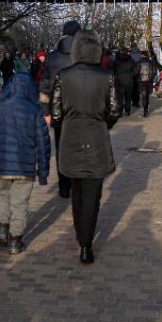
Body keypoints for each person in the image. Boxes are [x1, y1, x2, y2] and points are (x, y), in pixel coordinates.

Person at [51, 30, 120, 264]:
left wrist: (66, 125)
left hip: (71, 137)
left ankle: (81, 233)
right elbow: (114, 110)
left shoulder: (64, 75)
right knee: (92, 193)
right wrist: (102, 125)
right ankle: (86, 243)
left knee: (77, 190)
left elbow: (56, 113)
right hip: (97, 138)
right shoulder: (107, 76)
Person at [0, 74, 51, 254]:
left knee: (3, 197)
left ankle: (2, 233)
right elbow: (43, 143)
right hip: (25, 166)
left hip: (2, 165)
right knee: (20, 202)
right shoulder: (34, 110)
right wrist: (43, 172)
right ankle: (15, 240)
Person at [38, 21, 82, 199]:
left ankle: (64, 187)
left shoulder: (52, 57)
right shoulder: (84, 55)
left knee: (61, 148)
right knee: (79, 148)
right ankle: (77, 184)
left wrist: (45, 111)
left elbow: (44, 86)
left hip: (58, 109)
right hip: (80, 109)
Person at [113, 48, 138, 116]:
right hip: (129, 81)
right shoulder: (131, 60)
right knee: (128, 97)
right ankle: (127, 111)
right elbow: (136, 70)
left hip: (119, 81)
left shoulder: (117, 60)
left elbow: (113, 69)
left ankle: (120, 112)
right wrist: (131, 75)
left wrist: (116, 76)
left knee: (120, 97)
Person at [137, 52, 158, 117]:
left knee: (144, 96)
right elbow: (154, 71)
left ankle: (145, 110)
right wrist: (151, 77)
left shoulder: (139, 62)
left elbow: (136, 71)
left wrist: (138, 77)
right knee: (147, 96)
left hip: (141, 81)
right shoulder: (151, 62)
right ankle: (146, 109)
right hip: (149, 81)